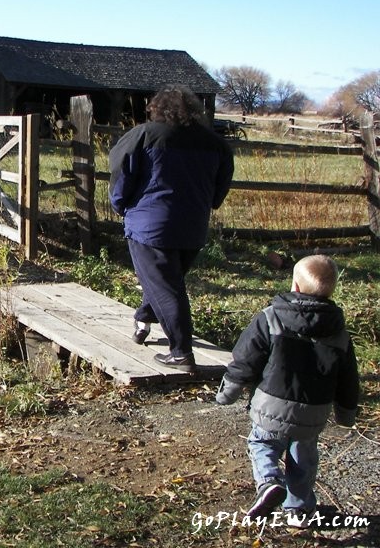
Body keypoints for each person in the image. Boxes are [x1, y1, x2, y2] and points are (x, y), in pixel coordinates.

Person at [216, 255, 359, 526]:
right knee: (303, 457)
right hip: (313, 413)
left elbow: (246, 359)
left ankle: (269, 482)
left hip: (272, 406)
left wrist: (228, 393)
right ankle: (299, 511)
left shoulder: (271, 318)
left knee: (262, 443)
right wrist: (346, 415)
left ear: (294, 285)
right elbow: (348, 378)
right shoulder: (339, 333)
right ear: (333, 289)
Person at [108, 84, 234, 372]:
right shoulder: (216, 144)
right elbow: (220, 186)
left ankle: (181, 353)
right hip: (193, 228)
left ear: (157, 109)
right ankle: (142, 320)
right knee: (165, 281)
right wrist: (208, 204)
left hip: (150, 227)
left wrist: (120, 205)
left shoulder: (144, 135)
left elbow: (121, 173)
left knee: (167, 288)